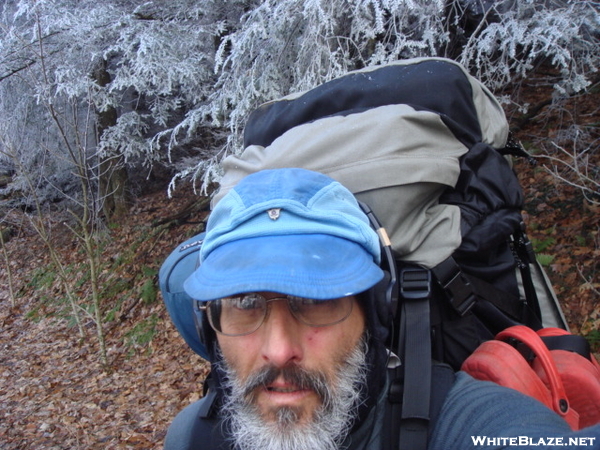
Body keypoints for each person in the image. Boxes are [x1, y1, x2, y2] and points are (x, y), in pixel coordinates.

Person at [164, 168, 600, 450]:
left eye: (315, 300)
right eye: (245, 303)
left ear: (375, 312)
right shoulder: (192, 438)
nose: (279, 351)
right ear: (210, 323)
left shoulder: (464, 423)